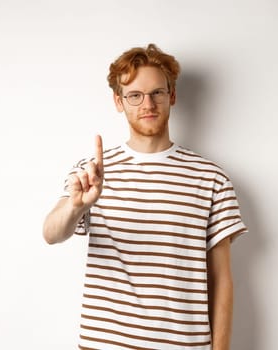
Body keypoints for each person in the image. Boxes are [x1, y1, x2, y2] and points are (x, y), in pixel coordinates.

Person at [42, 44, 247, 350]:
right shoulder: (93, 173)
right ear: (118, 101)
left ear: (172, 95)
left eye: (157, 93)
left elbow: (222, 281)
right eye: (134, 95)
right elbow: (51, 233)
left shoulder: (211, 178)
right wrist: (76, 207)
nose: (147, 104)